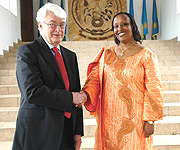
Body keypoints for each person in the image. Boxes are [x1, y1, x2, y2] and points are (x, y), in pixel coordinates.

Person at [82, 12, 163, 150]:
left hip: (134, 121)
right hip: (109, 120)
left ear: (132, 26)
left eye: (124, 24)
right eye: (116, 26)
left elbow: (153, 87)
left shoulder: (146, 55)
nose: (120, 29)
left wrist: (150, 119)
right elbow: (94, 79)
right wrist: (84, 94)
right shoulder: (106, 53)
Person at [12, 3, 87, 150]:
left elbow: (76, 94)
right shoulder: (28, 52)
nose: (58, 30)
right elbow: (32, 92)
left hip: (66, 131)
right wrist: (71, 97)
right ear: (40, 25)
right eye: (53, 24)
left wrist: (77, 132)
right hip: (38, 131)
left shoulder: (70, 56)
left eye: (62, 25)